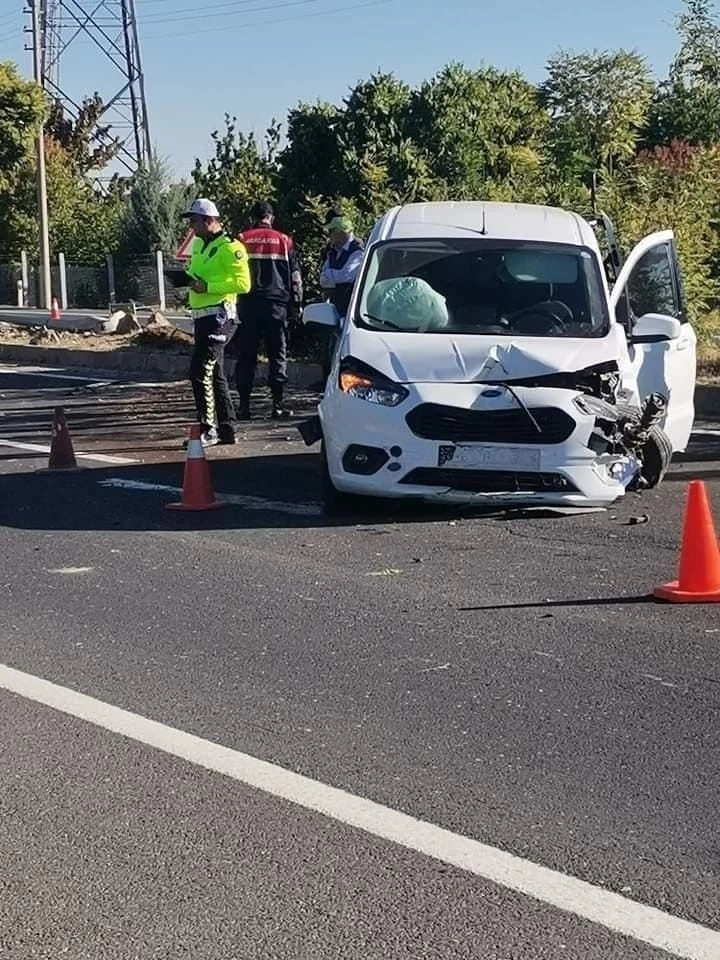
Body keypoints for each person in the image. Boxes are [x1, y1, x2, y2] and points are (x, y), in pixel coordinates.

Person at [182, 197, 252, 446]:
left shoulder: (230, 247)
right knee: (215, 373)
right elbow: (197, 275)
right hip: (202, 317)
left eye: (194, 221)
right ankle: (227, 428)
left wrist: (208, 286)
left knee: (200, 370)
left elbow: (243, 284)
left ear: (210, 220)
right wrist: (185, 279)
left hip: (220, 317)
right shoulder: (199, 245)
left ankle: (208, 429)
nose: (191, 227)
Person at [234, 201, 303, 420]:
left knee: (247, 356)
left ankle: (244, 407)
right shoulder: (284, 241)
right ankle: (277, 405)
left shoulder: (242, 239)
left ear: (253, 217)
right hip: (276, 306)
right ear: (271, 217)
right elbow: (295, 277)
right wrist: (297, 305)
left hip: (248, 305)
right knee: (277, 355)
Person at [317, 214, 364, 386]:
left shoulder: (357, 251)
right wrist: (334, 276)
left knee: (346, 346)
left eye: (331, 232)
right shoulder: (332, 252)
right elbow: (322, 279)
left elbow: (348, 276)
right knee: (330, 345)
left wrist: (331, 276)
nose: (329, 236)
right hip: (335, 305)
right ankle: (327, 381)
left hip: (350, 306)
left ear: (341, 233)